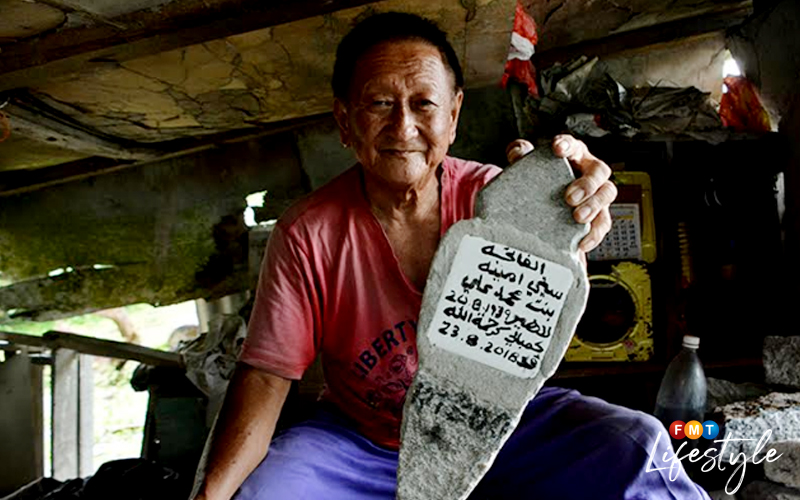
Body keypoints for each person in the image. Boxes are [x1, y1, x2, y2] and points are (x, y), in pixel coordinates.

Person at [194, 12, 711, 500]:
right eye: (379, 103)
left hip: (506, 426)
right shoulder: (307, 232)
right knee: (272, 490)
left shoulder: (500, 199)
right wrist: (209, 494)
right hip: (366, 445)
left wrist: (573, 209)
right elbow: (266, 375)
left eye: (423, 104)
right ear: (344, 120)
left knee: (638, 447)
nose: (402, 128)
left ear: (454, 114)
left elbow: (562, 270)